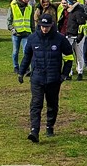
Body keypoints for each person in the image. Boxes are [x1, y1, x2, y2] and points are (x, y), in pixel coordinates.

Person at [18, 14, 73, 142]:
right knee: (36, 104)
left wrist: (64, 74)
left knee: (52, 105)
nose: (45, 29)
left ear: (51, 26)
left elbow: (69, 57)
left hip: (54, 79)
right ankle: (34, 131)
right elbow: (27, 57)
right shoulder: (32, 39)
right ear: (39, 26)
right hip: (37, 78)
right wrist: (21, 72)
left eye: (47, 27)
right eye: (43, 27)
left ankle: (50, 126)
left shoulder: (60, 39)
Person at [7, 0, 35, 74]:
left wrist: (33, 33)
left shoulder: (30, 8)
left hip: (26, 33)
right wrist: (12, 29)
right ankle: (16, 67)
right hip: (16, 34)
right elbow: (9, 20)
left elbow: (31, 21)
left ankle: (26, 67)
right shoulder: (13, 7)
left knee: (26, 52)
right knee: (15, 51)